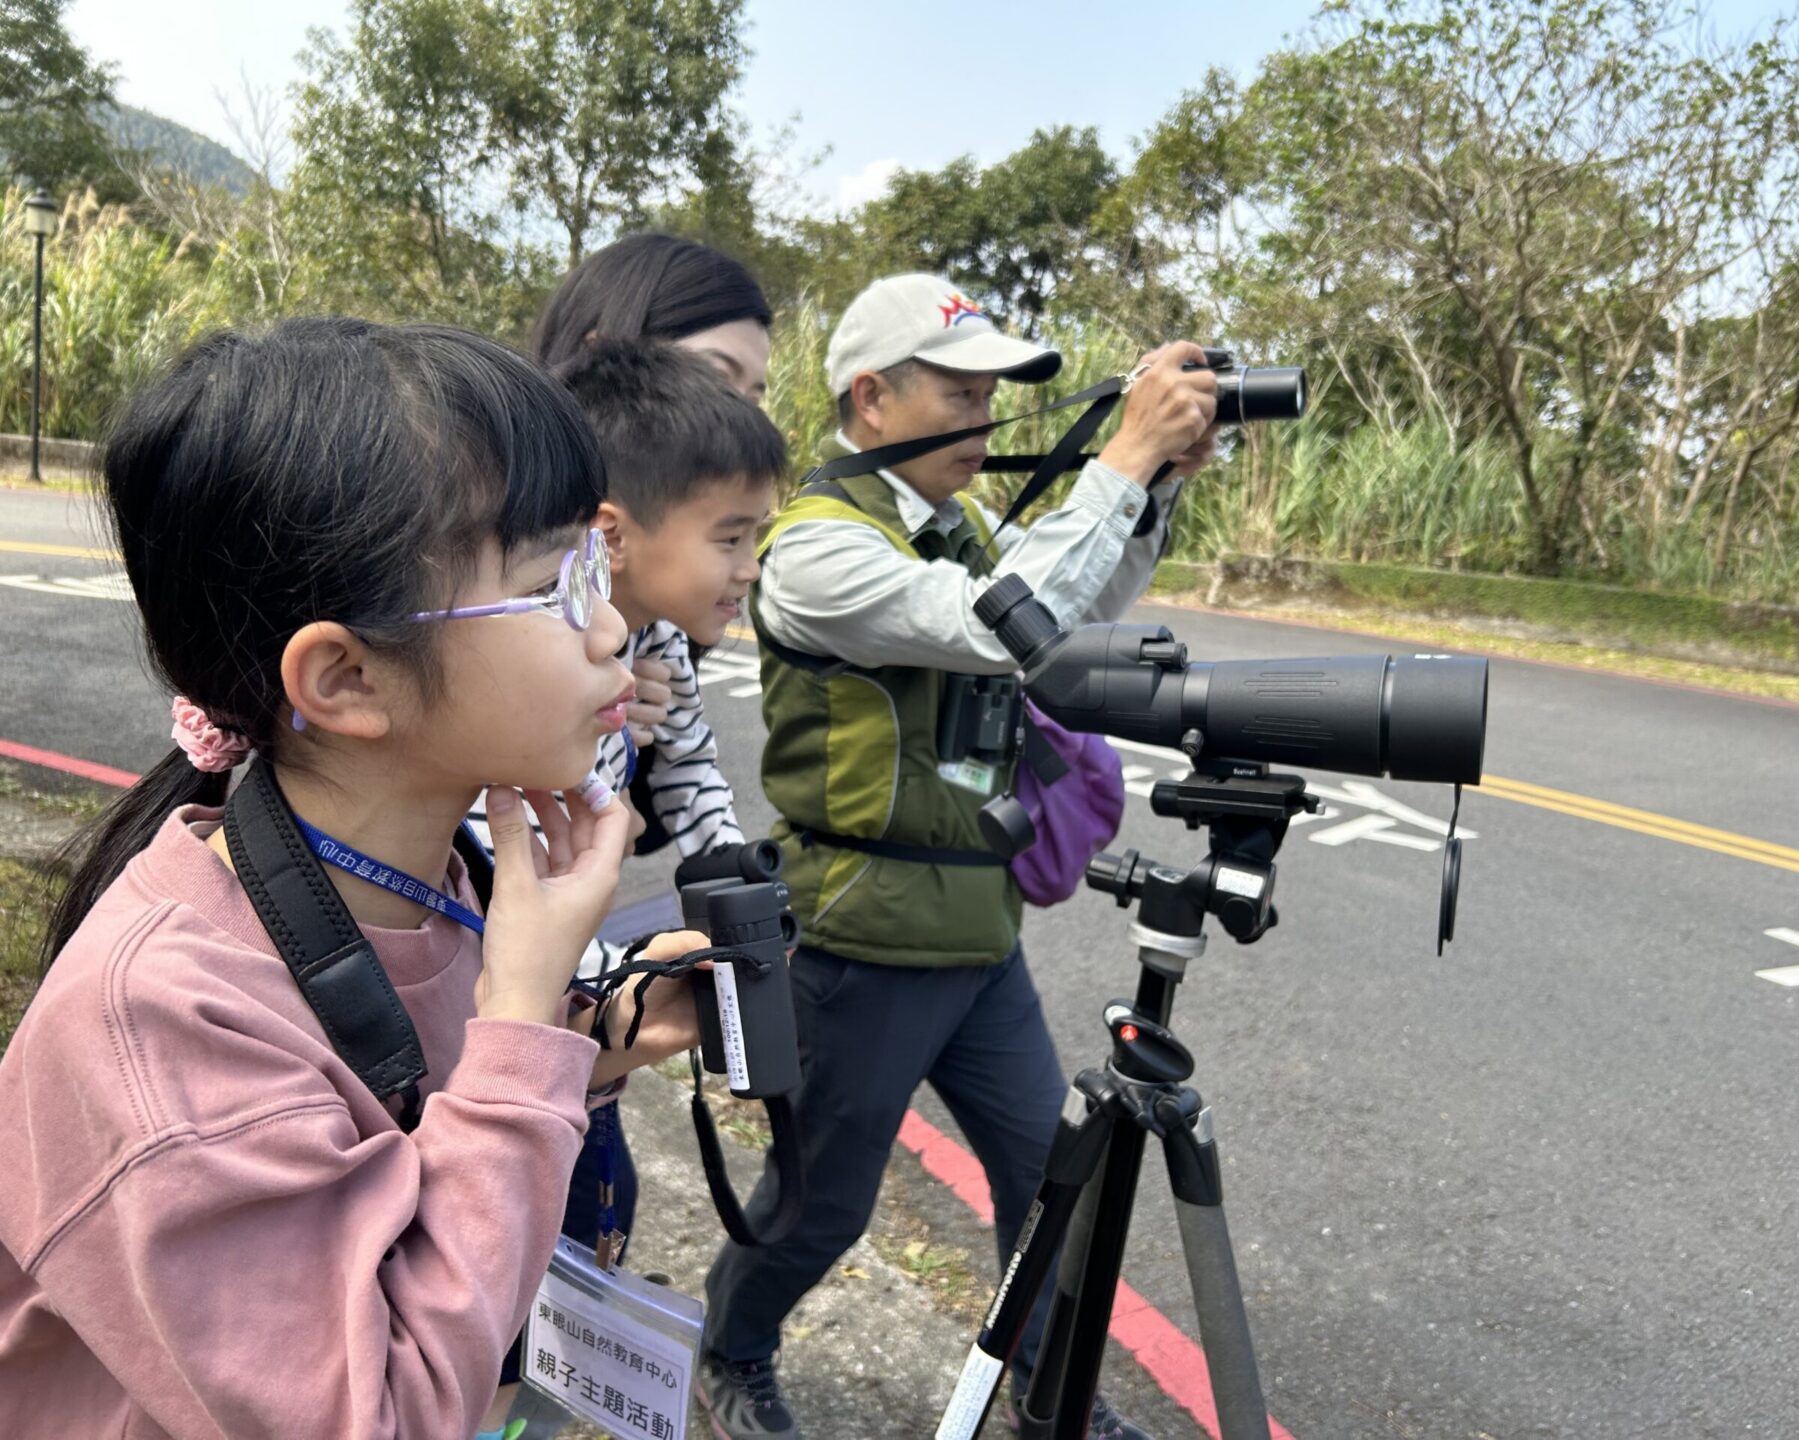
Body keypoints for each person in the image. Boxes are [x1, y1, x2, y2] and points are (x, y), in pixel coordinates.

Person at [0, 318, 706, 1439]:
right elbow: (375, 1417)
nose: (614, 627)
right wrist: (522, 1020)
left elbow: (413, 1115)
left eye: (595, 566)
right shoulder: (161, 1018)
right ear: (346, 677)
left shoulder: (437, 873)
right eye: (551, 586)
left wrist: (588, 1036)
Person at [699, 273, 1218, 1440]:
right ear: (871, 398)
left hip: (978, 936)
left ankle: (1045, 1395)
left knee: (1050, 1183)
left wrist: (1150, 496)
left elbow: (1063, 616)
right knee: (822, 1208)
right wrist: (1118, 462)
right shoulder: (817, 549)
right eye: (961, 391)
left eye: (995, 395)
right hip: (857, 941)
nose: (987, 420)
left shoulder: (957, 526)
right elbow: (1003, 624)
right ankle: (729, 1352)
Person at [464, 235, 778, 1261]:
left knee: (589, 1213)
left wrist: (732, 881)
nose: (738, 416)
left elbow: (688, 765)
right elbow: (485, 866)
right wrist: (607, 990)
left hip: (570, 1001)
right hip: (511, 1001)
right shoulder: (514, 649)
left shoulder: (655, 639)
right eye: (713, 381)